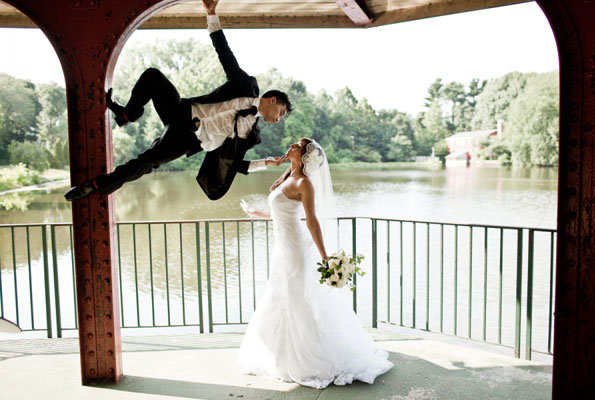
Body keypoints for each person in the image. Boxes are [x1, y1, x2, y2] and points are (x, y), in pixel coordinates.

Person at [64, 0, 293, 202]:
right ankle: (128, 115)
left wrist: (266, 163)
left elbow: (235, 166)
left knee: (148, 162)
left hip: (188, 139)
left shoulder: (252, 135)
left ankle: (95, 186)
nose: (279, 119)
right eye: (282, 113)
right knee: (153, 76)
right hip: (182, 110)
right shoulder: (245, 85)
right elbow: (225, 53)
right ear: (272, 100)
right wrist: (211, 15)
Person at [238, 138, 393, 389]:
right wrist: (257, 214)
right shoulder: (287, 177)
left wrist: (325, 257)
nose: (290, 147)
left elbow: (311, 221)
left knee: (297, 299)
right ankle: (281, 354)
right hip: (283, 248)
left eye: (296, 146)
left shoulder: (304, 184)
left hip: (297, 250)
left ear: (306, 156)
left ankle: (308, 358)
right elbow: (281, 213)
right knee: (280, 297)